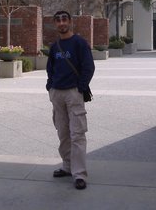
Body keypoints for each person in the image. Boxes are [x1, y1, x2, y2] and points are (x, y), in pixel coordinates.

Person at [46, 10, 95, 190]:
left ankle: (79, 174)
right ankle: (67, 166)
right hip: (57, 94)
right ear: (55, 24)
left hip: (73, 93)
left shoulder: (79, 43)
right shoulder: (54, 46)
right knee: (63, 133)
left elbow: (89, 67)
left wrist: (80, 87)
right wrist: (50, 86)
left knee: (77, 134)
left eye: (64, 19)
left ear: (70, 21)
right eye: (58, 20)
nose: (61, 23)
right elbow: (50, 68)